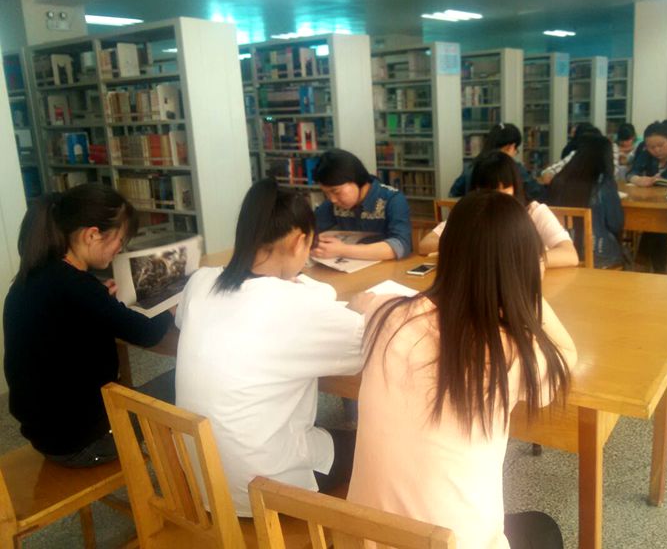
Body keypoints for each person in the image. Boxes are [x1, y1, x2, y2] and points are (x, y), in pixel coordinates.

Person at [348, 191, 577, 549]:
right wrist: (528, 296)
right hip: (450, 543)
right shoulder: (511, 353)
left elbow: (358, 301)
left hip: (364, 540)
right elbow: (567, 356)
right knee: (544, 529)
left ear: (448, 254)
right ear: (525, 268)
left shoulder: (385, 314)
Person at [175, 179, 371, 515]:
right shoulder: (296, 306)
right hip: (266, 489)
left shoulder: (201, 281)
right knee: (372, 445)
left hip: (202, 477)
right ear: (299, 242)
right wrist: (361, 308)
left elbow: (181, 321)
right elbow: (368, 346)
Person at [3, 184, 173, 467]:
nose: (120, 249)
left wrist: (101, 301)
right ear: (92, 235)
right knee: (184, 382)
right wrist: (169, 302)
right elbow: (148, 333)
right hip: (83, 442)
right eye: (120, 240)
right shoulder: (79, 289)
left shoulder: (34, 277)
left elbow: (70, 317)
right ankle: (190, 483)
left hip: (46, 435)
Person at [420, 151, 579, 268]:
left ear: (515, 187)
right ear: (476, 190)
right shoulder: (472, 212)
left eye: (503, 190)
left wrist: (524, 261)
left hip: (527, 289)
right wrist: (471, 248)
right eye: (488, 191)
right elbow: (426, 244)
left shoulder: (533, 212)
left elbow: (569, 254)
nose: (496, 198)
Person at [313, 148, 412, 260]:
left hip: (387, 267)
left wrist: (342, 250)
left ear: (355, 179)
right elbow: (310, 228)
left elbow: (401, 245)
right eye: (326, 193)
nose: (332, 199)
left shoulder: (392, 199)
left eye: (336, 192)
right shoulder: (333, 203)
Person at [549, 134, 625, 269]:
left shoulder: (559, 180)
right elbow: (616, 223)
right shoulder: (603, 185)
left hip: (562, 254)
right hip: (598, 256)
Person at [627, 121, 667, 273]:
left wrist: (661, 179)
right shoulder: (646, 154)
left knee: (656, 222)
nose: (656, 150)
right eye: (651, 147)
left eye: (661, 145)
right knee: (656, 223)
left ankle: (643, 261)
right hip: (651, 201)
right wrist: (637, 179)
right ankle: (658, 268)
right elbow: (631, 172)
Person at [449, 123, 543, 202]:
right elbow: (538, 193)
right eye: (516, 149)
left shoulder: (472, 166)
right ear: (510, 147)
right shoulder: (513, 167)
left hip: (475, 213)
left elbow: (453, 193)